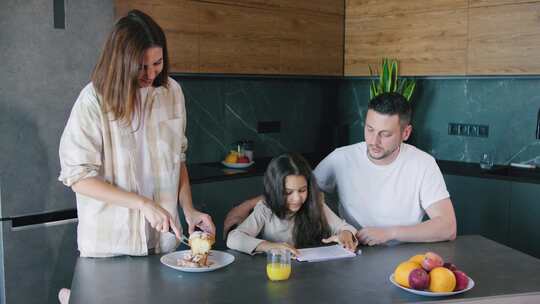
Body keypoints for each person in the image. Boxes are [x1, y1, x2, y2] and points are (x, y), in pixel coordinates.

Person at [58, 9, 215, 259]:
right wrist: (143, 204)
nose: (151, 75)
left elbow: (178, 159)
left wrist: (189, 209)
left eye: (157, 63)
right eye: (142, 67)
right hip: (111, 244)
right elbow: (78, 177)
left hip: (163, 241)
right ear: (121, 62)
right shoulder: (93, 101)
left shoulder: (171, 92)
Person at [224, 92, 456, 246]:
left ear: (405, 133)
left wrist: (389, 233)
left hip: (406, 256)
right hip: (354, 251)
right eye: (369, 129)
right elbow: (298, 187)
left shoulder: (423, 164)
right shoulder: (341, 158)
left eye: (385, 134)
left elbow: (447, 227)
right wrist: (244, 207)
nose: (373, 141)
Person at [226, 153, 358, 255]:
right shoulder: (266, 209)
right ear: (275, 190)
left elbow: (344, 227)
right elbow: (234, 239)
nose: (297, 199)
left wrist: (345, 234)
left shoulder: (316, 204)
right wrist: (270, 246)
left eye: (302, 190)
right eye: (288, 192)